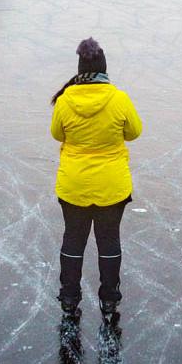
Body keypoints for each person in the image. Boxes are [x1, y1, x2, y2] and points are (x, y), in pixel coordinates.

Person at [50, 38, 143, 332]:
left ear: (80, 69)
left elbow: (56, 133)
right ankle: (110, 301)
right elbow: (134, 132)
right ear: (103, 68)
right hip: (111, 186)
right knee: (109, 242)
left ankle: (68, 301)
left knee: (73, 241)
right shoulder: (119, 99)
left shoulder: (65, 100)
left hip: (74, 185)